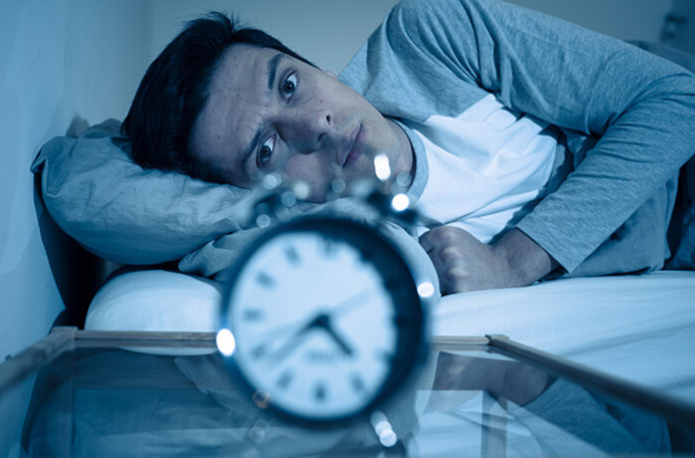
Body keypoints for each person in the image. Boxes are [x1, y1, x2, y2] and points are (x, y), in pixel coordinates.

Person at [122, 0, 695, 295]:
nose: (315, 125)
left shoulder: (427, 37)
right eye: (266, 151)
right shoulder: (339, 236)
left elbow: (675, 100)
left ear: (315, 66)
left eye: (290, 84)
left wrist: (511, 262)